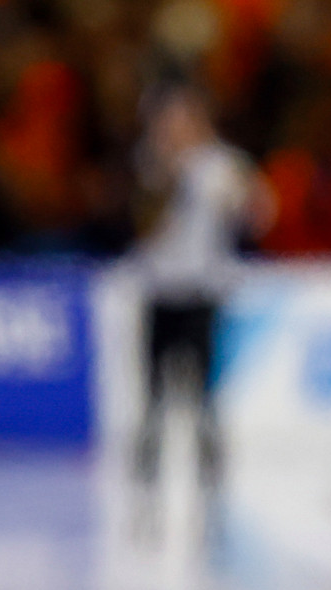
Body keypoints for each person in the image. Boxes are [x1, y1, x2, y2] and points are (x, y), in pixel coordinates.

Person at [129, 83, 273, 507]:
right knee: (154, 393)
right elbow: (142, 223)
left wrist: (238, 200)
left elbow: (257, 213)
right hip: (160, 289)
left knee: (206, 393)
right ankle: (146, 480)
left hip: (203, 291)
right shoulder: (150, 163)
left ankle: (213, 478)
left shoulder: (222, 165)